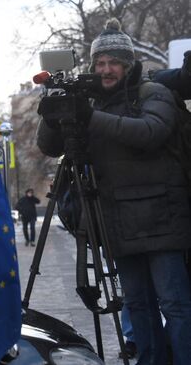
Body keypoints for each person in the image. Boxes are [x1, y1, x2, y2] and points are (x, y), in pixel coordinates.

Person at [37, 19, 191, 365]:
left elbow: (151, 132)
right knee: (137, 304)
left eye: (113, 63)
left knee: (176, 304)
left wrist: (88, 115)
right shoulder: (89, 101)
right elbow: (49, 147)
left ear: (129, 64)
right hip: (115, 220)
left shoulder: (152, 92)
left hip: (164, 218)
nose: (105, 70)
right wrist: (54, 110)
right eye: (99, 63)